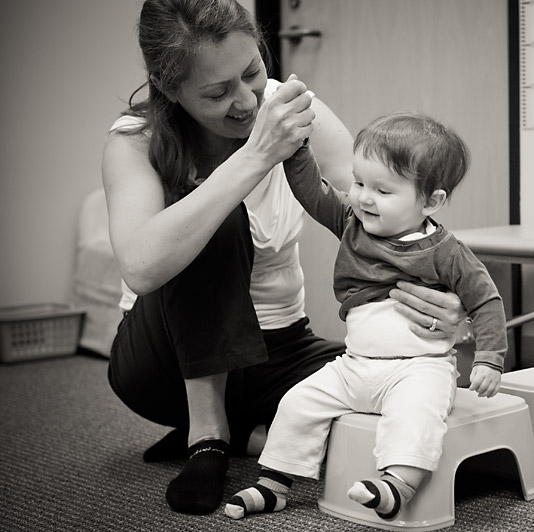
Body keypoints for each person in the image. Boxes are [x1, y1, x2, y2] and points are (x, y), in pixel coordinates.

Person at [102, 0, 468, 516]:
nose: (248, 102)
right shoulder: (136, 140)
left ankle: (246, 436)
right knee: (214, 212)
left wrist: (445, 298)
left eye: (252, 72)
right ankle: (206, 437)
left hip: (275, 348)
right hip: (163, 363)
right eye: (217, 92)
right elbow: (140, 267)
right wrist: (256, 156)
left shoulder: (296, 110)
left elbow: (375, 220)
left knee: (396, 391)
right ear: (169, 90)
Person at [224, 112, 507, 521]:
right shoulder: (351, 223)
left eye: (382, 190)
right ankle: (275, 485)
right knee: (298, 401)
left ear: (430, 201)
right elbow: (311, 191)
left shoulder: (446, 251)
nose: (363, 198)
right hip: (354, 366)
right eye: (359, 183)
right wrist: (297, 146)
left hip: (419, 368)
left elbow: (486, 301)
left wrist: (489, 358)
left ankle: (397, 485)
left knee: (417, 415)